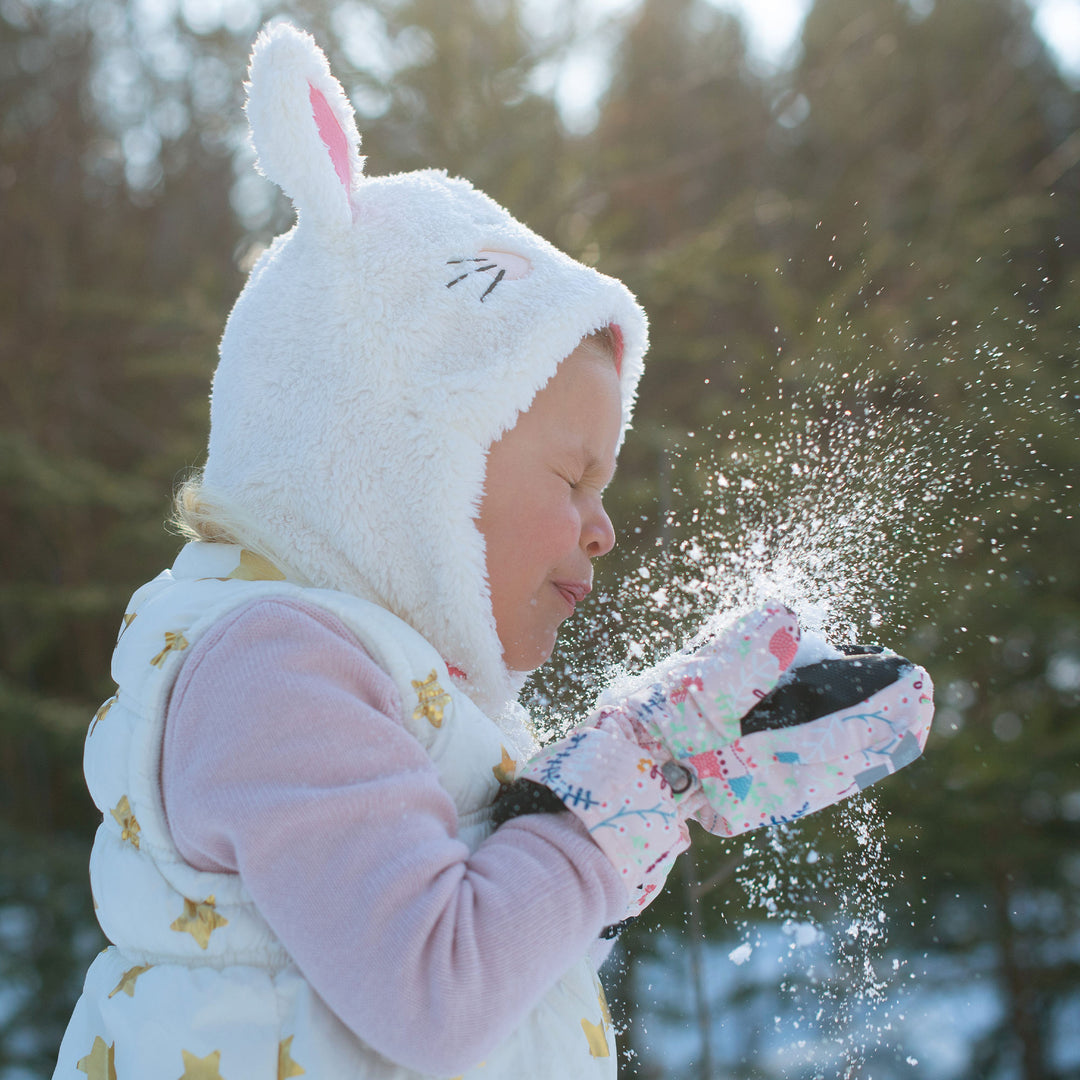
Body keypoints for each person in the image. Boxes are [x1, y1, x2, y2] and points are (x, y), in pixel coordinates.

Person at [53, 23, 934, 1080]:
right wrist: (622, 781)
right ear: (399, 457)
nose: (603, 527)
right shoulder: (276, 670)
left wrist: (670, 781)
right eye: (572, 479)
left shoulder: (402, 695)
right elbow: (437, 991)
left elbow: (509, 968)